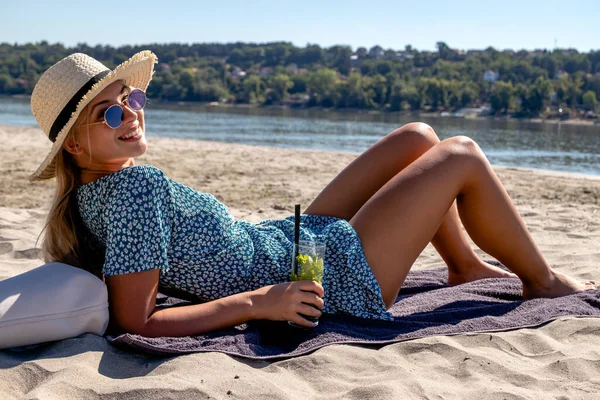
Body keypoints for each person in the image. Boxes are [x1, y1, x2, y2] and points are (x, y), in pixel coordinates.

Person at [30, 51, 596, 337]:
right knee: (463, 153)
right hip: (332, 275)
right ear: (75, 146)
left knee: (418, 139)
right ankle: (541, 282)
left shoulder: (98, 194)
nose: (129, 114)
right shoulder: (130, 190)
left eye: (131, 99)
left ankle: (464, 265)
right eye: (109, 111)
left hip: (290, 241)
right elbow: (138, 322)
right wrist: (263, 303)